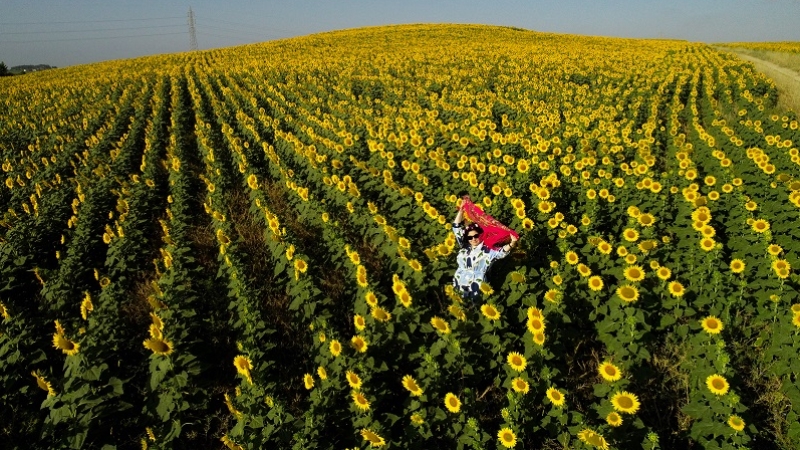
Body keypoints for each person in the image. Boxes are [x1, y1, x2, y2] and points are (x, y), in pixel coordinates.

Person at [452, 197, 517, 301]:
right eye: (470, 237)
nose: (473, 239)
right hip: (459, 284)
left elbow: (501, 252)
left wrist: (512, 242)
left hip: (477, 289)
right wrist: (461, 210)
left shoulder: (487, 250)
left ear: (480, 235)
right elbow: (456, 227)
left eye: (475, 236)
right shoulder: (465, 246)